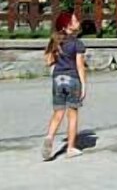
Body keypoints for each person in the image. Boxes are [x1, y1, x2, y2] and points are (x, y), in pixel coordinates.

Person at [42, 11, 87, 161]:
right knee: (72, 115)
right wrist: (84, 85)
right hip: (73, 79)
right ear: (68, 26)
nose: (78, 22)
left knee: (58, 113)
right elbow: (80, 66)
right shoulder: (77, 44)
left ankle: (49, 137)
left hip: (58, 79)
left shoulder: (56, 41)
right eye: (74, 20)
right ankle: (70, 148)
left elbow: (48, 60)